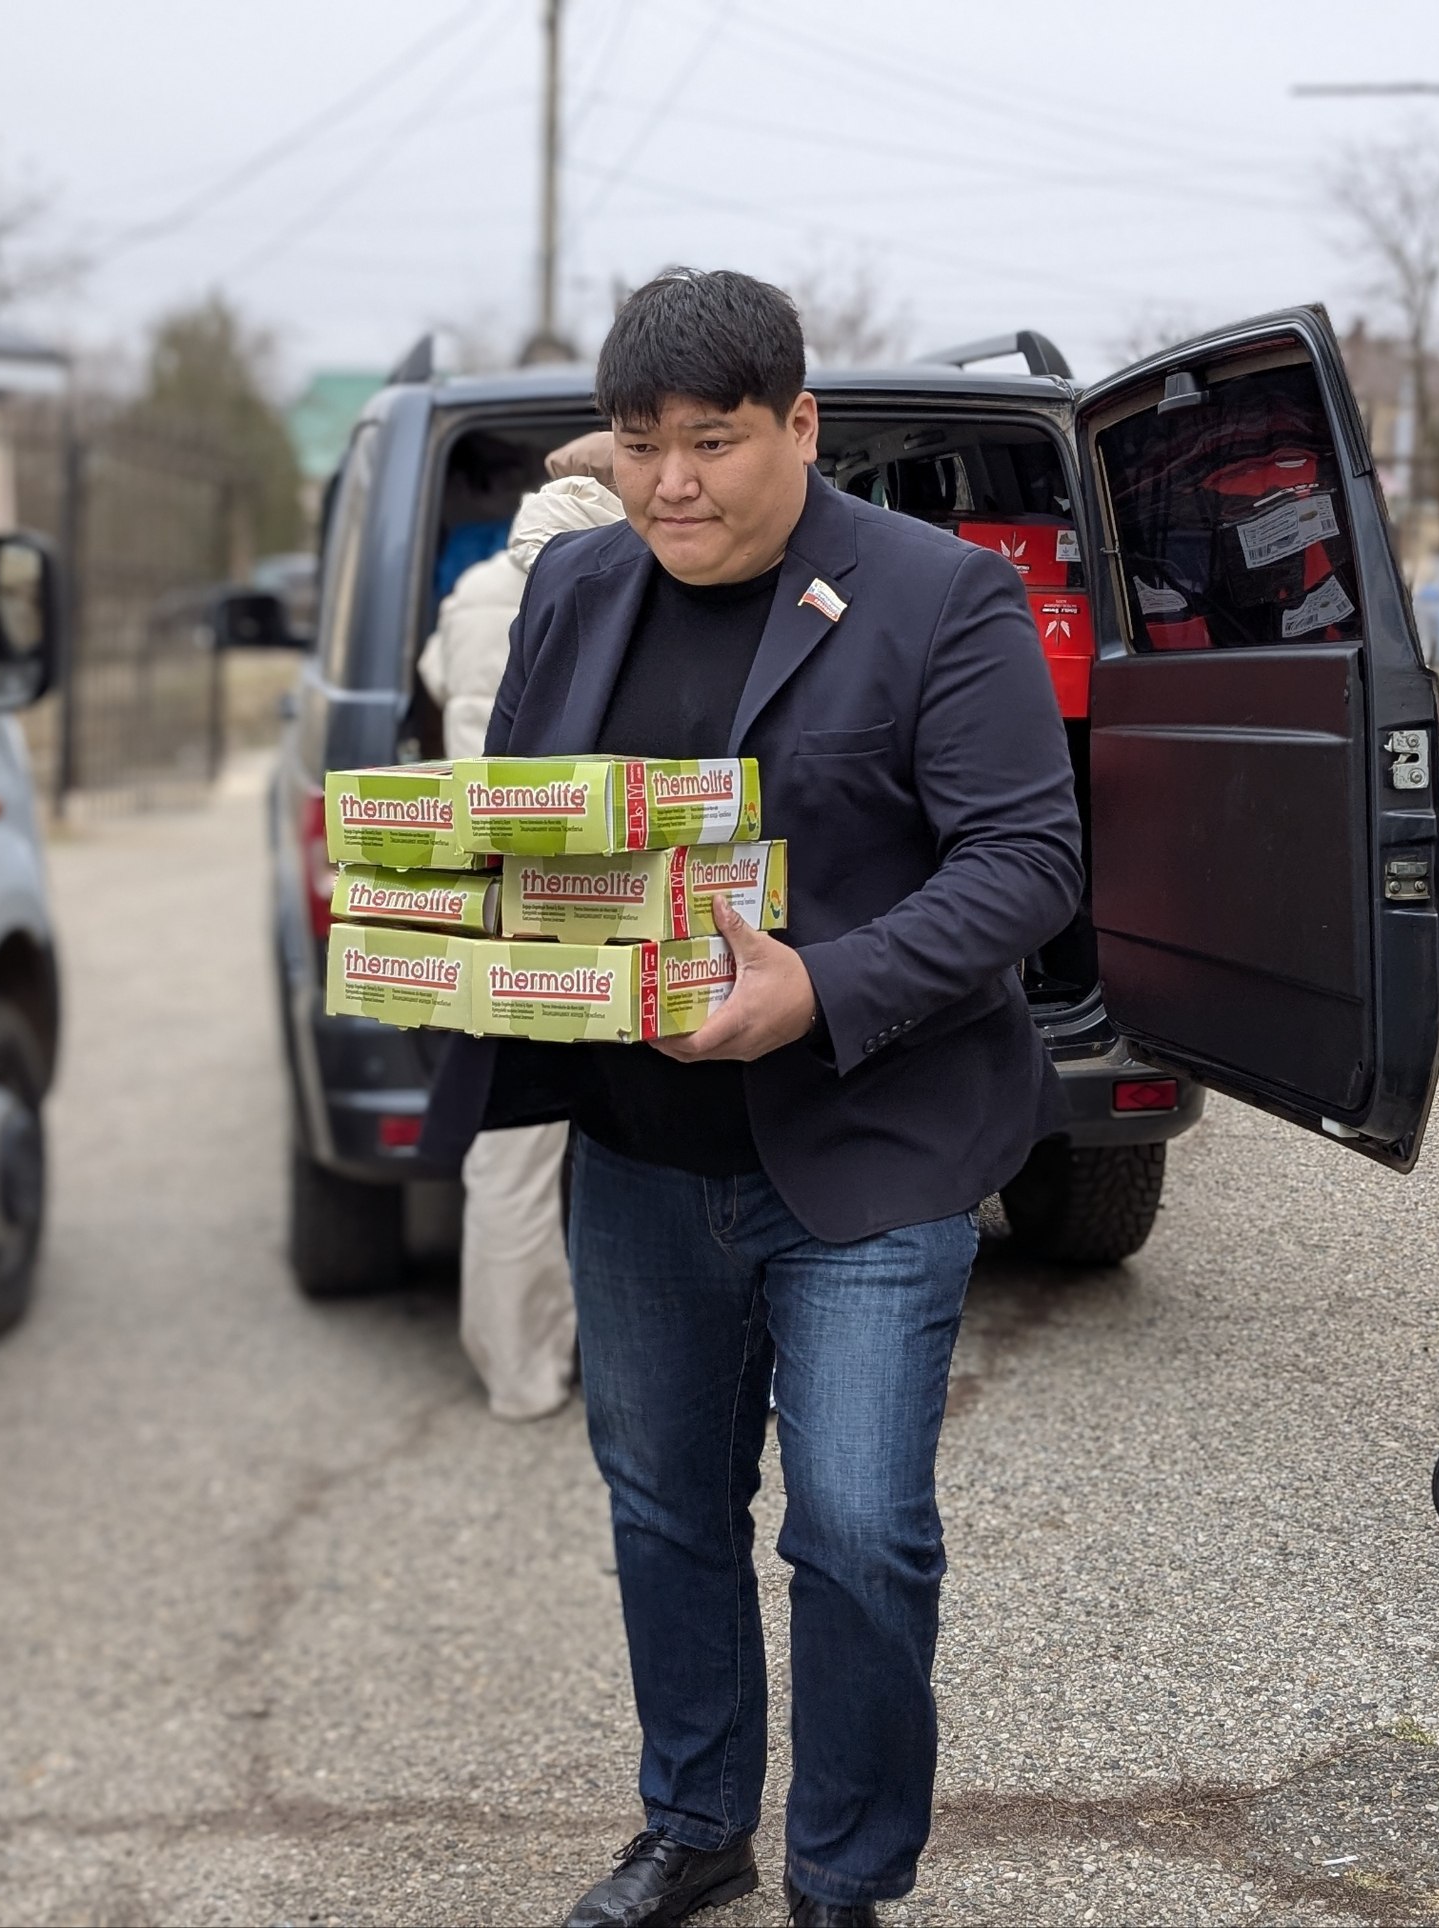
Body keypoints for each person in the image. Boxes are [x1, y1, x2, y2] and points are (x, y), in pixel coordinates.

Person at [424, 270, 1081, 1928]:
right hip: (640, 1155)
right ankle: (696, 1819)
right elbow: (530, 831)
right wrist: (445, 925)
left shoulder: (942, 596)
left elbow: (1030, 862)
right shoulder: (576, 587)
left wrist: (822, 983)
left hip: (869, 1151)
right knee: (663, 1503)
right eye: (641, 446)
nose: (674, 486)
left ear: (801, 425)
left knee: (859, 1529)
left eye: (713, 443)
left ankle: (845, 1874)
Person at [417, 433, 625, 1420]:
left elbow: (430, 679)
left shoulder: (472, 591)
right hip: (609, 893)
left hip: (491, 892)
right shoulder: (631, 579)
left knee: (512, 1144)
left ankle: (521, 1372)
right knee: (670, 1131)